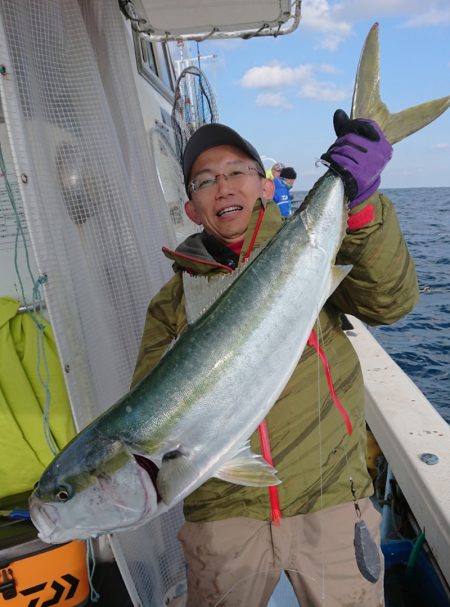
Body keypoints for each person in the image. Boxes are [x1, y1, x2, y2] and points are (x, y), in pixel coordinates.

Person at [132, 112, 419, 607]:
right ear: (192, 208)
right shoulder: (170, 304)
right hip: (223, 521)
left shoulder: (315, 248)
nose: (223, 187)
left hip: (329, 500)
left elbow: (390, 302)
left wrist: (363, 211)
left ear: (264, 187)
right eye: (205, 180)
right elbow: (152, 412)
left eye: (237, 172)